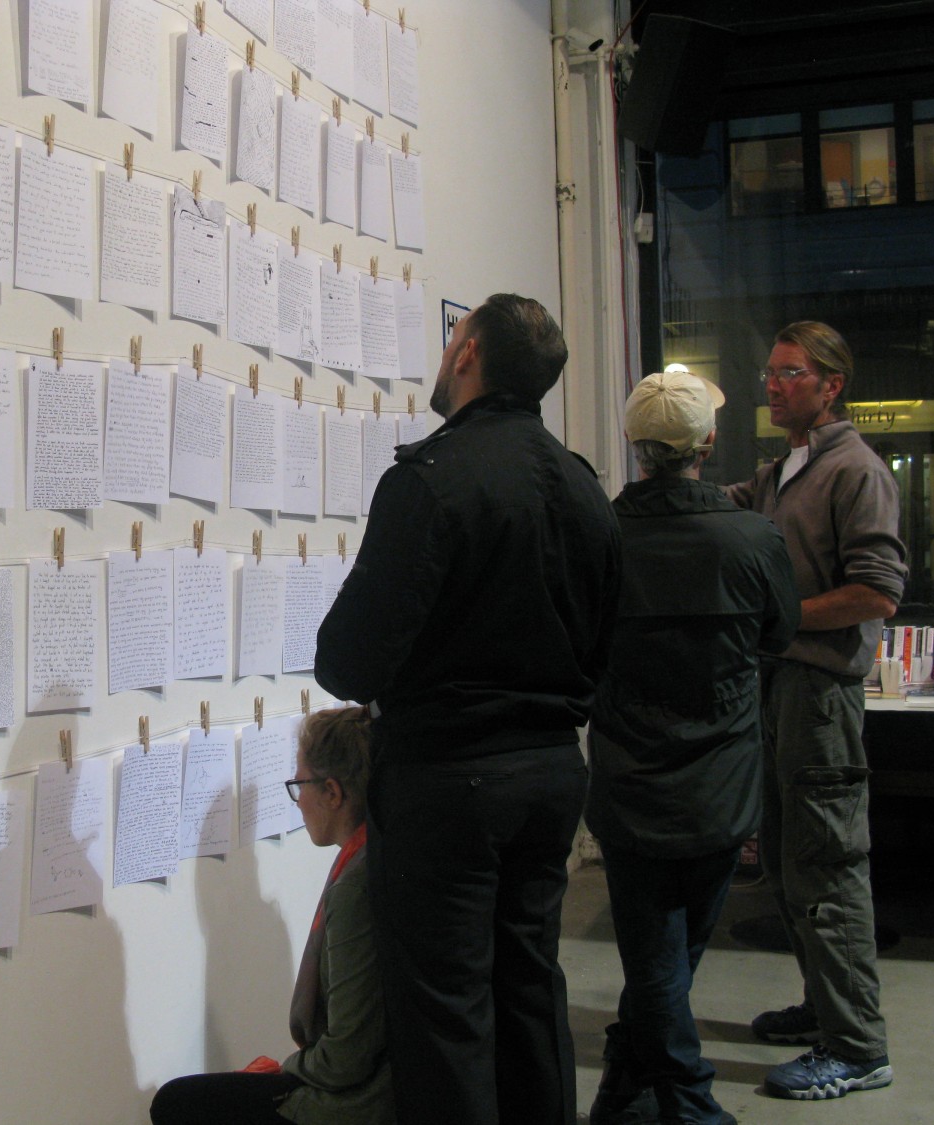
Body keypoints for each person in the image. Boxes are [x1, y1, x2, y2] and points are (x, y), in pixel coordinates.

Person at [314, 293, 622, 1125]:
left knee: (445, 1014)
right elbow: (607, 641)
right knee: (530, 988)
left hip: (449, 780)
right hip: (551, 770)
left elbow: (350, 660)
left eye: (452, 335)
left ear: (469, 353)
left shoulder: (432, 479)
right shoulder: (584, 487)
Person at [585, 372, 800, 1125]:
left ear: (634, 444)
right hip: (722, 777)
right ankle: (689, 1103)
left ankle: (625, 1084)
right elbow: (780, 632)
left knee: (657, 957)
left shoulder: (602, 538)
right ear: (708, 442)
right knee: (673, 956)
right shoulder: (752, 537)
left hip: (629, 776)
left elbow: (578, 645)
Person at [725, 321, 907, 1101]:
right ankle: (822, 1006)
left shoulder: (855, 471)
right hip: (780, 688)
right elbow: (722, 508)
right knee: (790, 862)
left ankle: (858, 1048)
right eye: (770, 372)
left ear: (831, 385)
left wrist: (783, 620)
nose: (772, 385)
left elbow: (878, 592)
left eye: (790, 373)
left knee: (827, 866)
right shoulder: (784, 471)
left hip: (821, 694)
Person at [149, 707, 395, 1125]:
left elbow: (347, 1057)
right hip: (365, 1082)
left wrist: (288, 1069)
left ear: (332, 793)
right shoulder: (375, 854)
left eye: (300, 785)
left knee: (176, 1104)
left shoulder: (356, 888)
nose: (298, 802)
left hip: (357, 1102)